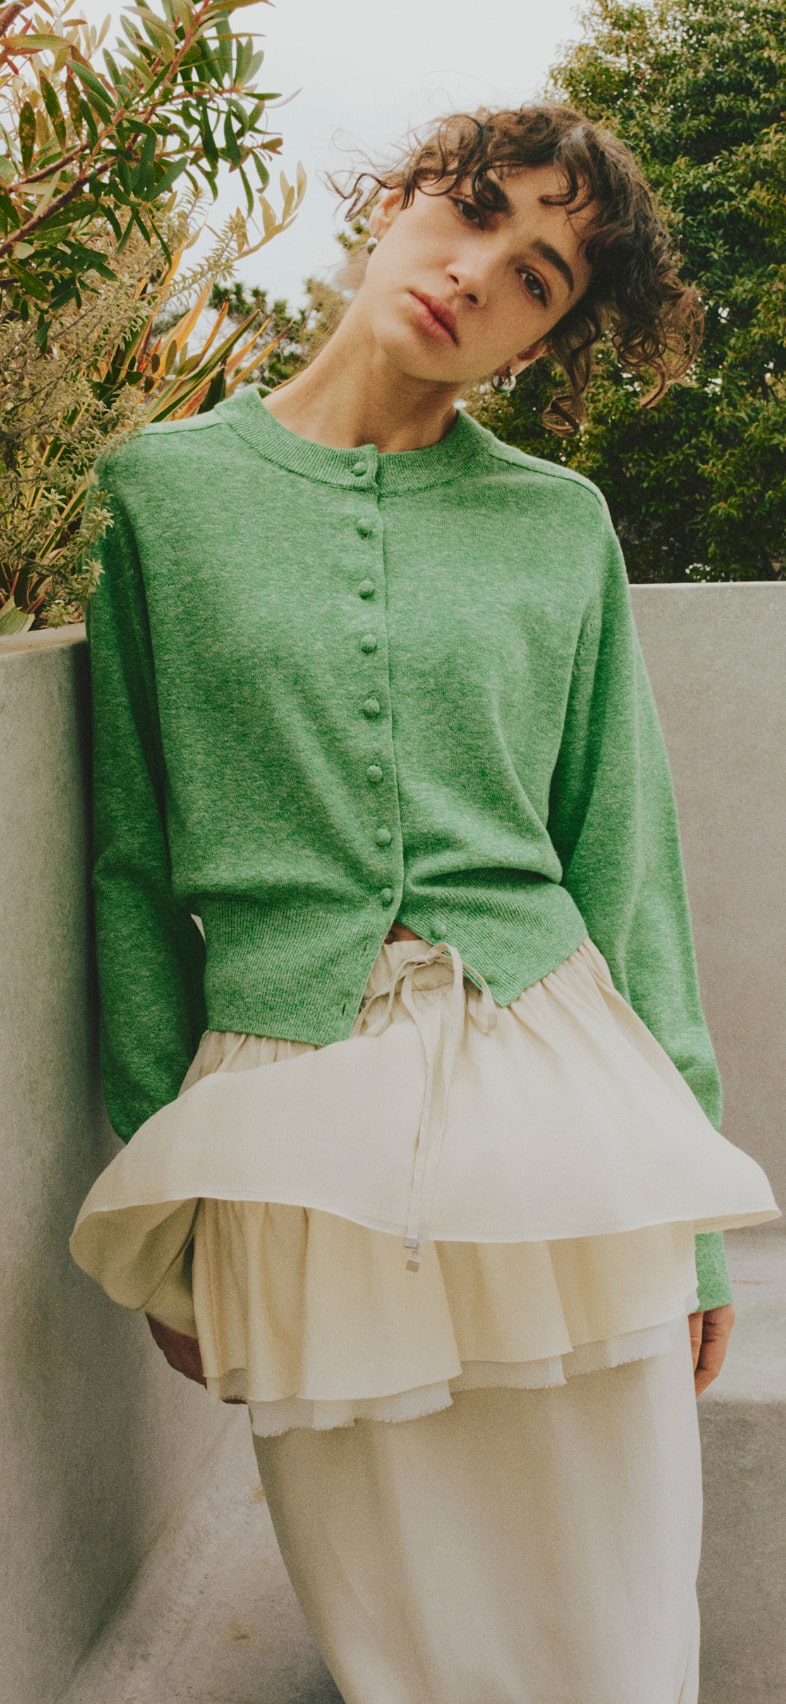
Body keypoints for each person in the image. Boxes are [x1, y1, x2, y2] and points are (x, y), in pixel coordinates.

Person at [70, 103, 780, 1702]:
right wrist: (168, 1191)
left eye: (536, 278)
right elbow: (129, 862)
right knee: (395, 1619)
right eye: (469, 212)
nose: (476, 272)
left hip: (561, 1095)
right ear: (393, 200)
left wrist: (691, 1238)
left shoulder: (555, 524)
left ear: (547, 341)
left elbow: (624, 858)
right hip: (289, 1120)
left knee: (611, 1604)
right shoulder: (157, 499)